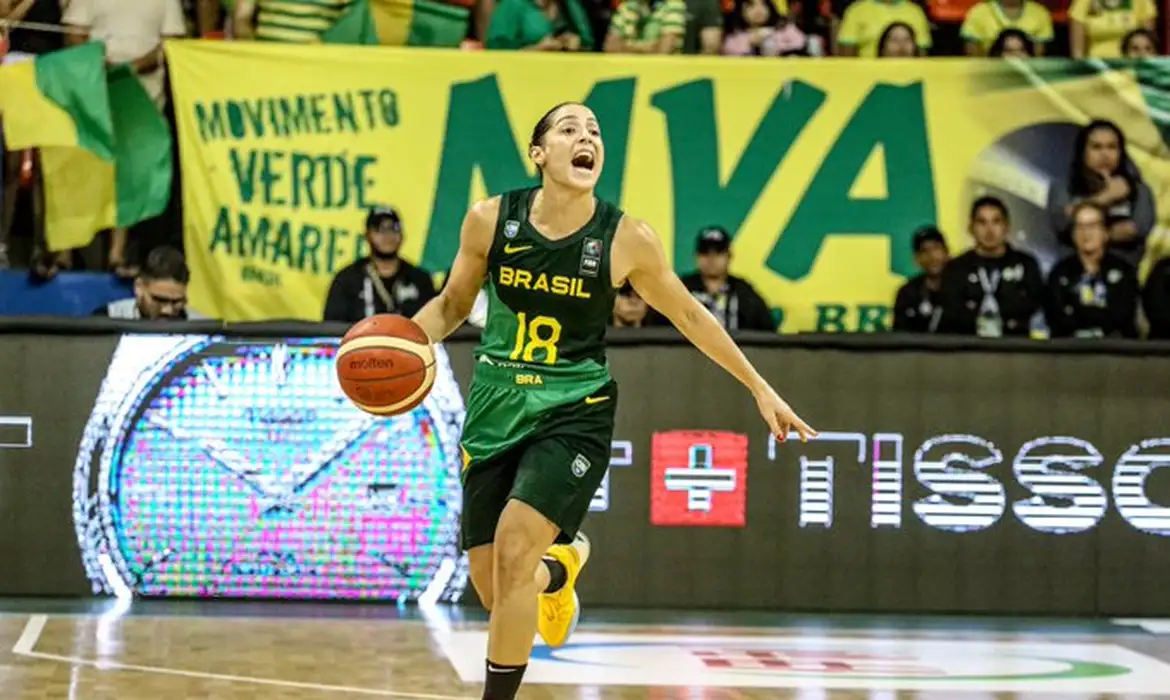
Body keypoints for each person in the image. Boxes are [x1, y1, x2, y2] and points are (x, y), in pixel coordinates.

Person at [409, 102, 816, 700]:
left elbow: (688, 314)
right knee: (500, 589)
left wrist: (760, 386)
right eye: (569, 129)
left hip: (574, 407)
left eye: (594, 132)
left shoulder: (625, 238)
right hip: (496, 405)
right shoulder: (490, 220)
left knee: (517, 548)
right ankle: (562, 568)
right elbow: (449, 307)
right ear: (539, 152)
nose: (586, 138)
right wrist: (399, 344)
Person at [937, 195, 1044, 337]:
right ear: (971, 228)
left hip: (1016, 349)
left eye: (996, 222)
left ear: (1007, 227)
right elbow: (951, 315)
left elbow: (1036, 309)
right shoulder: (956, 268)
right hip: (968, 349)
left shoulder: (1026, 264)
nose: (989, 230)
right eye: (982, 222)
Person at [323, 206, 437, 323]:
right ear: (367, 235)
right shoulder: (347, 280)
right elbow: (332, 328)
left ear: (402, 235)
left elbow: (435, 325)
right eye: (379, 229)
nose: (388, 235)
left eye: (394, 228)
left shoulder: (420, 279)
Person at [1045, 202, 1138, 338]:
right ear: (1072, 234)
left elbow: (1122, 315)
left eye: (1092, 226)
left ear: (1106, 232)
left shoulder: (1124, 271)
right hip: (1070, 350)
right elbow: (1056, 316)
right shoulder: (1060, 272)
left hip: (1116, 350)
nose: (1086, 233)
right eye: (1080, 226)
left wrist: (1081, 312)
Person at [94, 246, 200, 320]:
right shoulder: (107, 319)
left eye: (177, 302)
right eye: (159, 300)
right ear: (139, 287)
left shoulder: (202, 330)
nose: (168, 310)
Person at [892, 226, 949, 333]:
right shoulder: (907, 294)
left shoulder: (961, 288)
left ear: (947, 253)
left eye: (936, 249)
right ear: (917, 259)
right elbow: (899, 336)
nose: (932, 256)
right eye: (925, 251)